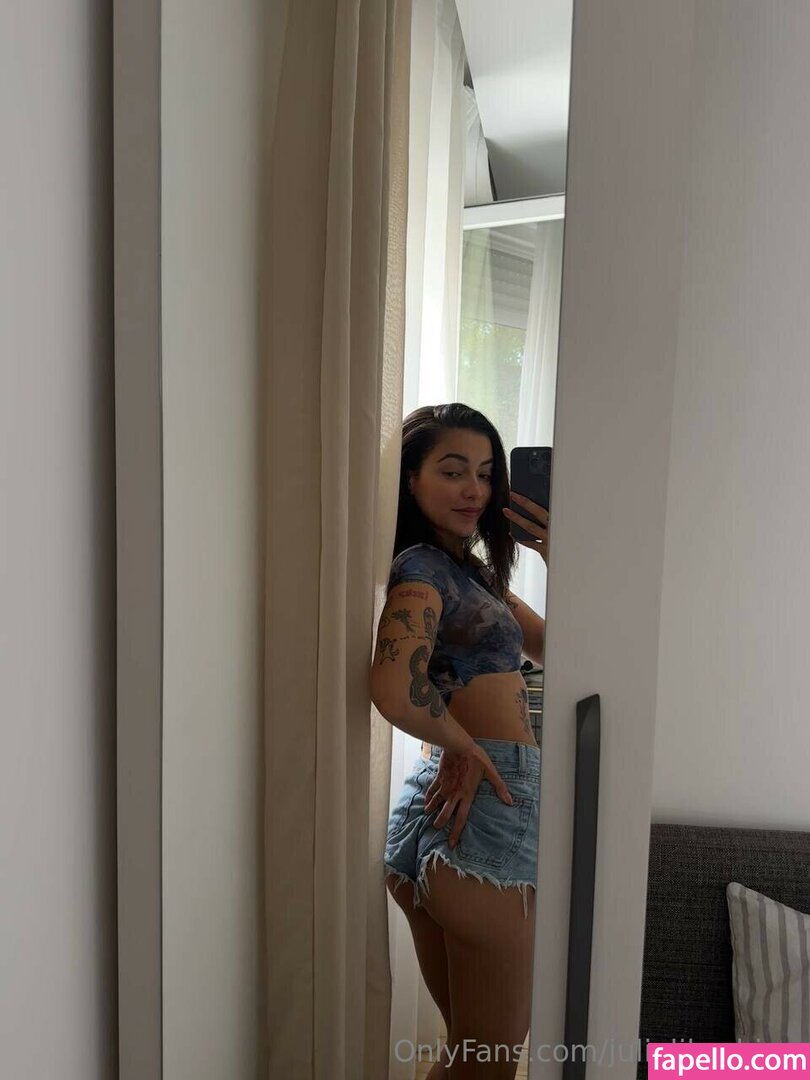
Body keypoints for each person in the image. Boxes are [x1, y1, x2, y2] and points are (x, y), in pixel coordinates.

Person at [370, 403, 550, 1079]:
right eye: (452, 471)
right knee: (490, 1063)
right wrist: (466, 744)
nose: (474, 489)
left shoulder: (471, 573)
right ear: (410, 479)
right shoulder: (421, 567)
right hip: (486, 806)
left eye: (485, 473)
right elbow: (395, 686)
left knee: (467, 1058)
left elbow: (564, 649)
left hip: (446, 807)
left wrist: (556, 555)